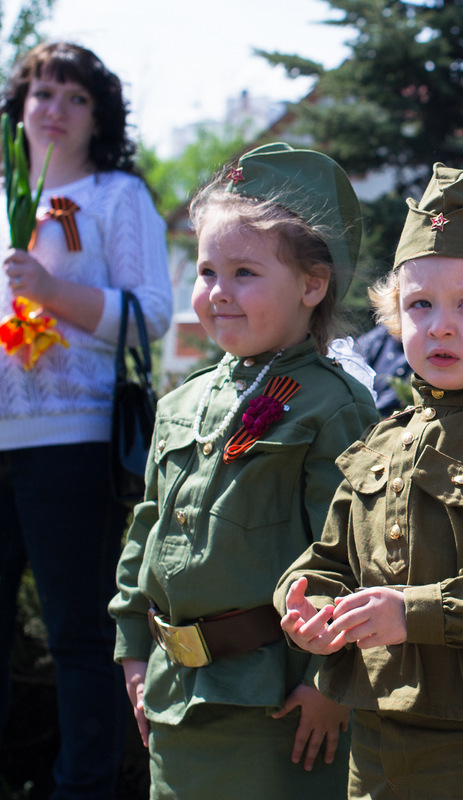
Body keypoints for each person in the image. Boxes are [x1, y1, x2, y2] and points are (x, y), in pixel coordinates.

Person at [274, 159, 463, 800]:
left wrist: (416, 613)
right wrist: (305, 603)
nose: (439, 324)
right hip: (373, 730)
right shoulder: (382, 437)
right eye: (420, 304)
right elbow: (327, 559)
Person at [108, 142, 379, 799]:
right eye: (206, 272)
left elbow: (354, 555)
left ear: (312, 286)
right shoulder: (182, 401)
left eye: (244, 274)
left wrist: (328, 684)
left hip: (279, 707)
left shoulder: (331, 403)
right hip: (176, 697)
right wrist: (133, 651)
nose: (216, 293)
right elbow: (146, 532)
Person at [0, 41, 171, 800]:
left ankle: (83, 791)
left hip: (71, 443)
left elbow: (154, 316)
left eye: (74, 96)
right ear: (19, 106)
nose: (54, 109)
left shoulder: (115, 197)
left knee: (79, 636)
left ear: (98, 114)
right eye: (41, 92)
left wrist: (50, 290)